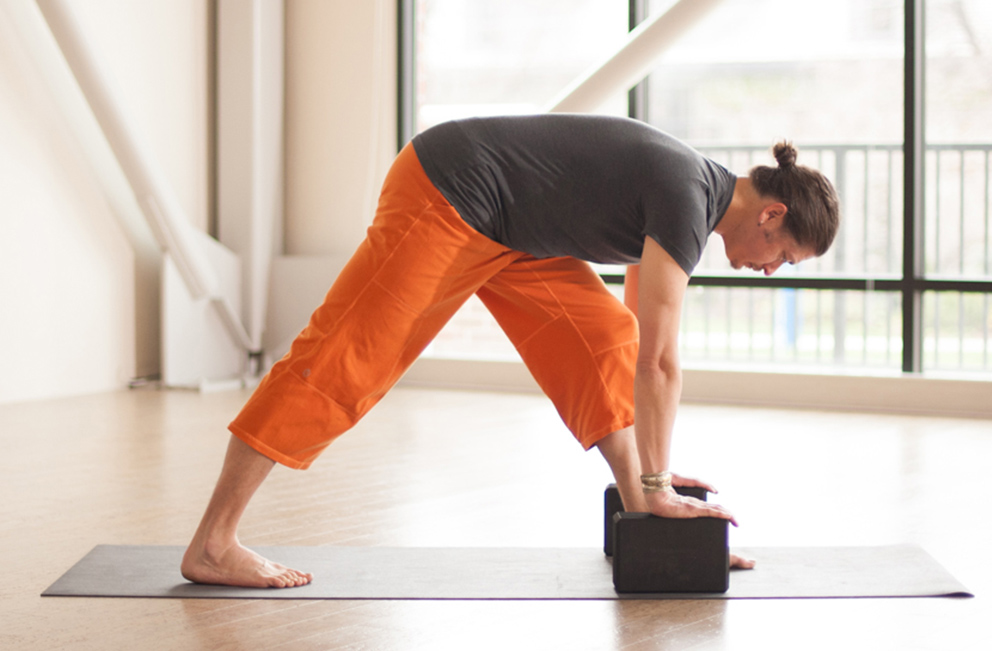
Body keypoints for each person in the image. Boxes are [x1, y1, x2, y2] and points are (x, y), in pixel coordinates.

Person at [180, 114, 840, 588]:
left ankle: (638, 497)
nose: (772, 270)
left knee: (602, 336)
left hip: (515, 231)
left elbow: (638, 342)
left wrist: (654, 494)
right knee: (345, 357)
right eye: (783, 257)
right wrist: (660, 488)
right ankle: (214, 541)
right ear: (772, 215)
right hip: (450, 190)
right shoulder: (687, 194)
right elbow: (661, 362)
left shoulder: (694, 194)